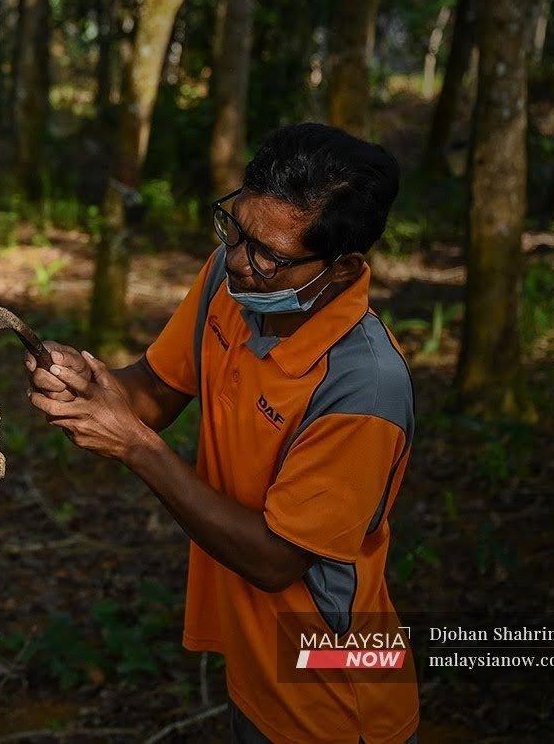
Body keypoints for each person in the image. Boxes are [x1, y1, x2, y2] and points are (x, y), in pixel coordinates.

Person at [25, 123, 419, 743]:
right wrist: (94, 384)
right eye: (235, 228)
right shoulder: (234, 282)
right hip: (253, 662)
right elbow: (154, 389)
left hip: (331, 694)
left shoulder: (363, 388)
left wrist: (132, 443)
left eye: (270, 254)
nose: (240, 258)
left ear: (342, 269)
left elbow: (274, 561)